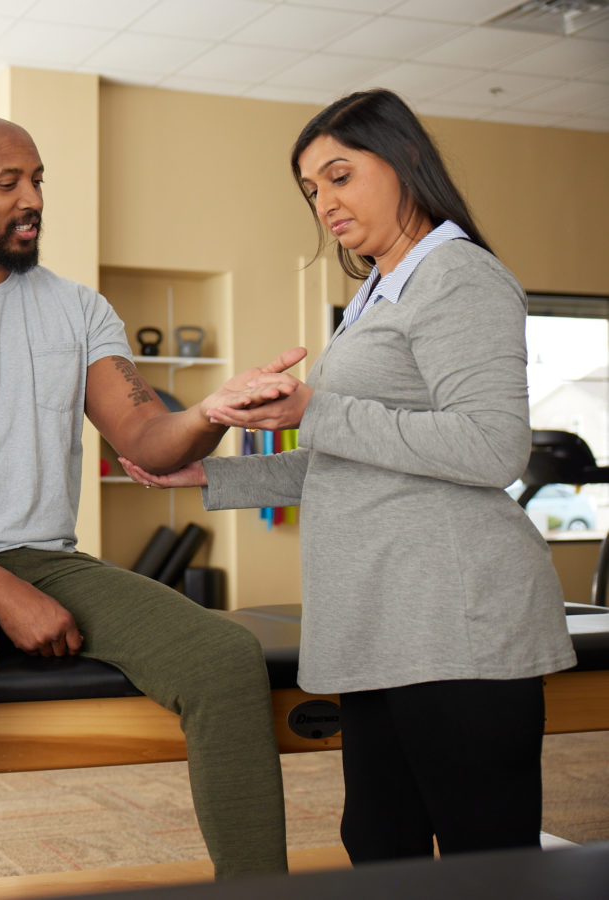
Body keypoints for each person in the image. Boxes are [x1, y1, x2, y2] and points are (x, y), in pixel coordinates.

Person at [0, 114, 301, 899]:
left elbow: (146, 437)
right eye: (8, 184)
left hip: (44, 555)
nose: (31, 198)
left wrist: (212, 413)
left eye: (37, 180)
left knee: (225, 657)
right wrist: (6, 596)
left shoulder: (78, 310)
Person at [120, 89, 577, 865]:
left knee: (484, 861)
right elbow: (353, 463)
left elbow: (492, 447)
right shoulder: (375, 291)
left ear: (403, 162)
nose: (325, 202)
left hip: (452, 623)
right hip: (380, 620)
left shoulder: (458, 277)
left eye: (339, 175)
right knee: (379, 844)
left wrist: (314, 409)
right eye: (311, 189)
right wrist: (211, 475)